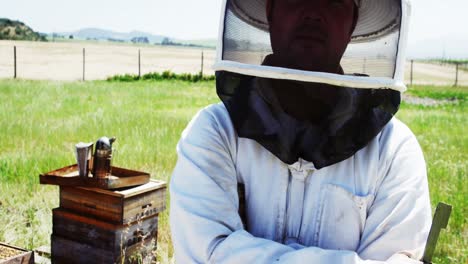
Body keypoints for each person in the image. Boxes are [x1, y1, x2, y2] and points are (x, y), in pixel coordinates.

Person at [170, 0, 432, 263]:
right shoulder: (215, 132)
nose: (313, 13)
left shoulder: (393, 149)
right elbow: (205, 251)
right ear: (271, 12)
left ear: (351, 22)